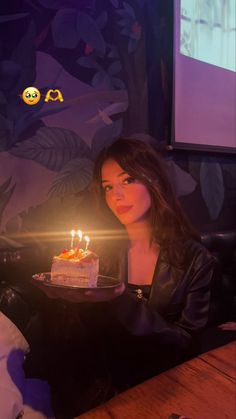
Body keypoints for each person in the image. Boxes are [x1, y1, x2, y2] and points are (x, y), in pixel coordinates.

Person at [37, 137, 220, 393]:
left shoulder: (194, 259)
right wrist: (64, 300)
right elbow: (78, 343)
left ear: (154, 180)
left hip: (163, 385)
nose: (117, 195)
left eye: (127, 180)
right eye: (108, 187)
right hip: (102, 387)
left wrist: (120, 298)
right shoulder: (97, 255)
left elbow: (187, 343)